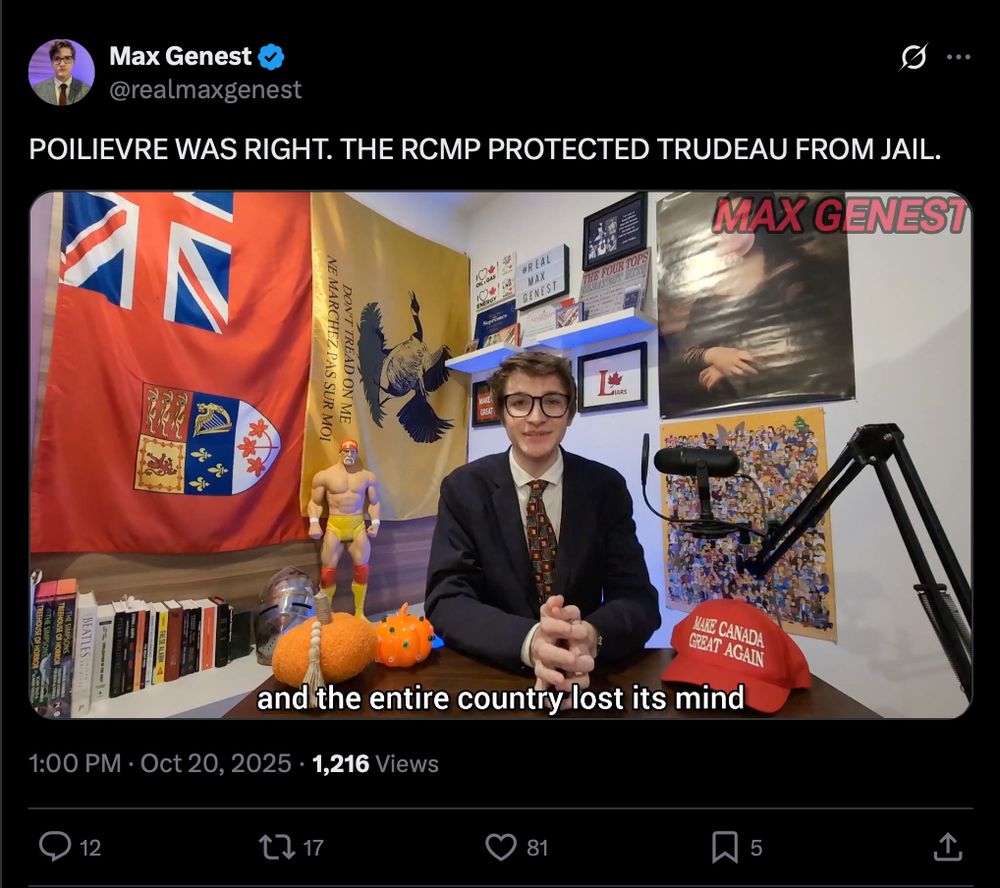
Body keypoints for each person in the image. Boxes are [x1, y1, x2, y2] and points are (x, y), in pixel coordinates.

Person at [425, 352, 660, 694]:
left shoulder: (605, 488)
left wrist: (591, 637)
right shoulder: (463, 489)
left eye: (552, 401)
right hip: (494, 678)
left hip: (586, 678)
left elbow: (638, 600)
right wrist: (531, 641)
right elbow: (446, 599)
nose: (536, 417)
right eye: (520, 402)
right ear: (502, 412)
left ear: (570, 412)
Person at [308, 439, 381, 619]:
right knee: (327, 572)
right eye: (346, 451)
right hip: (335, 525)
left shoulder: (367, 476)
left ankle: (359, 613)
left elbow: (374, 502)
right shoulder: (324, 476)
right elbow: (315, 502)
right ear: (340, 452)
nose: (349, 455)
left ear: (357, 453)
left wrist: (376, 522)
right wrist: (314, 522)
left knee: (362, 569)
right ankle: (324, 615)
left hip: (357, 525)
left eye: (353, 452)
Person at [34, 40, 90, 105]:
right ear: (51, 63)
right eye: (57, 59)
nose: (62, 64)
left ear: (73, 62)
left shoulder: (86, 90)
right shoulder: (38, 90)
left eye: (67, 58)